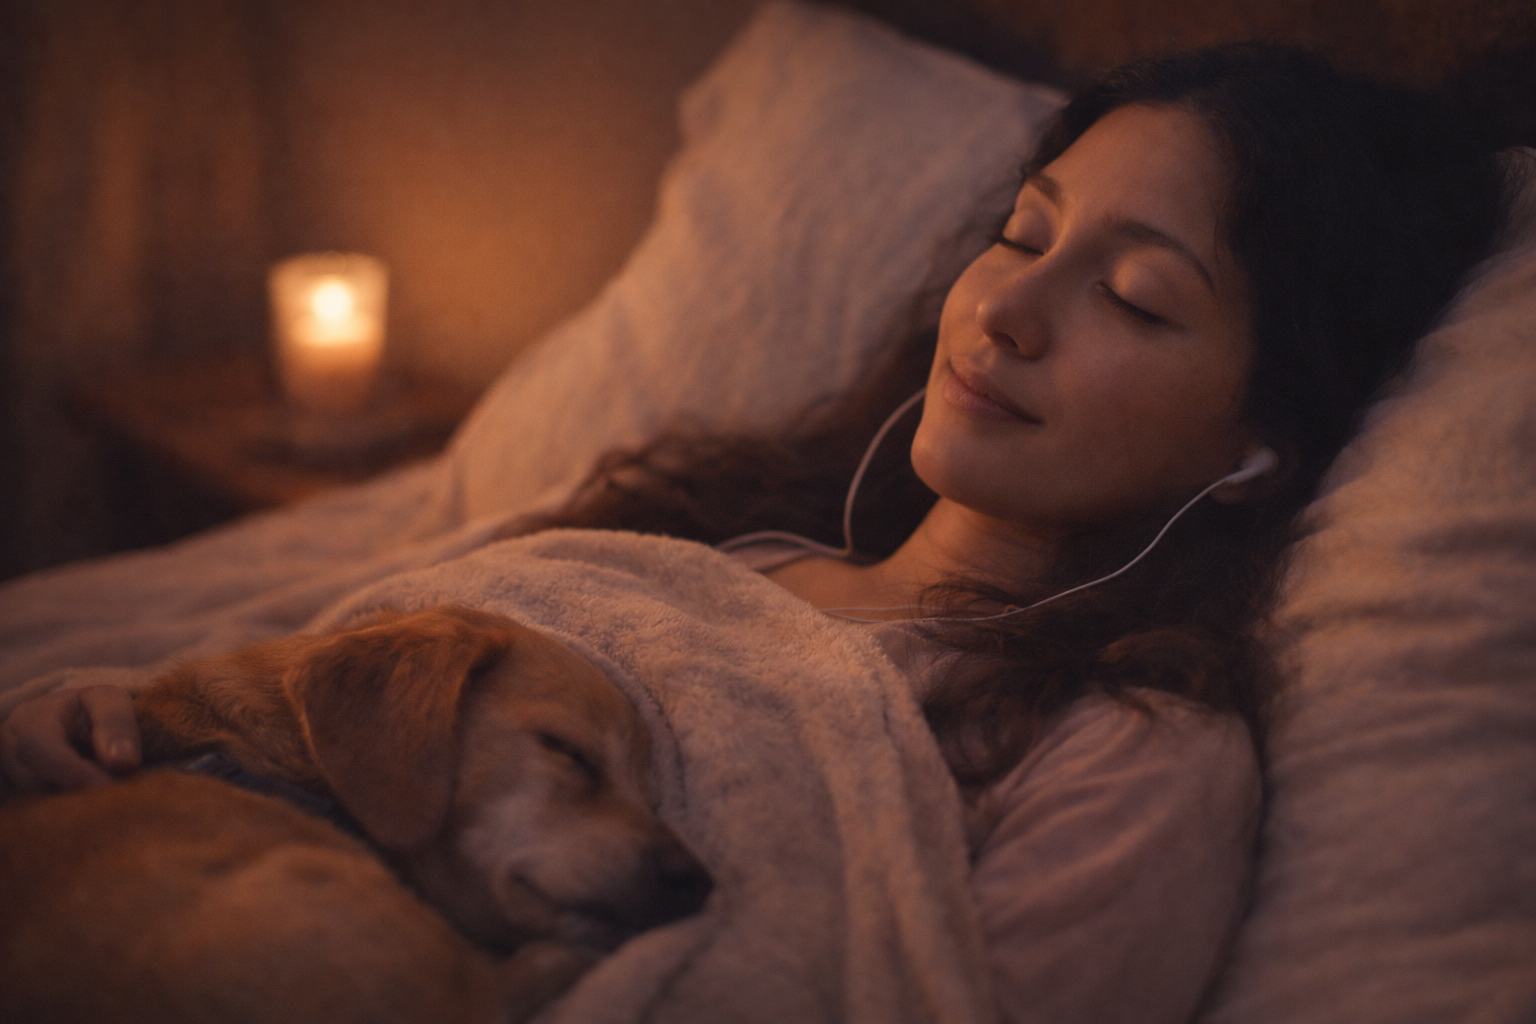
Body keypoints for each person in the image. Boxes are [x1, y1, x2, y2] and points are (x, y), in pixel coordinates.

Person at [0, 42, 1518, 1024]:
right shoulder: (701, 542)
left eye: (1133, 298)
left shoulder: (1126, 754)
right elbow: (335, 688)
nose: (1003, 309)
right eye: (1025, 232)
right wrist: (127, 724)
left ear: (1254, 450)